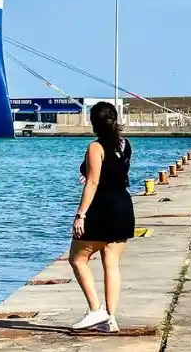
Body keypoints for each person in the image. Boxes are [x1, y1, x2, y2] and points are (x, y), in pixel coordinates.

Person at [68, 101, 134, 333]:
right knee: (111, 263)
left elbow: (94, 181)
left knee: (77, 258)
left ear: (93, 122)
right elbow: (114, 172)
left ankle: (96, 310)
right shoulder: (125, 144)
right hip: (124, 207)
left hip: (102, 208)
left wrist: (80, 215)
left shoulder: (95, 147)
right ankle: (111, 318)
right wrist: (88, 174)